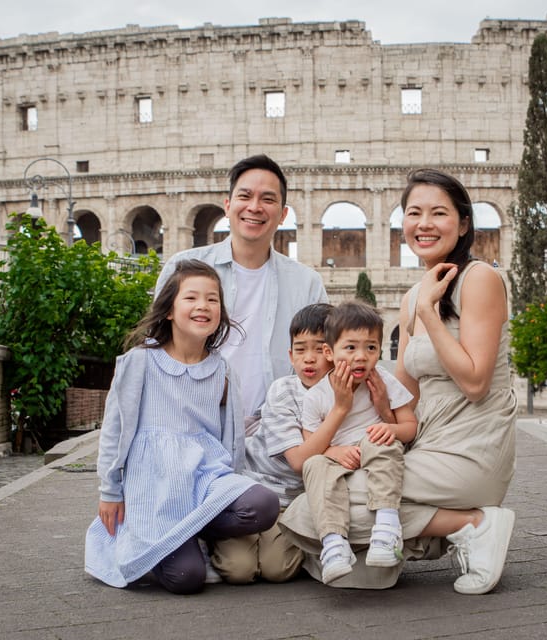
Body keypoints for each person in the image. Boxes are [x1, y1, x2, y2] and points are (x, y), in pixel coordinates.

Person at [280, 169, 517, 594]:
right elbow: (401, 395)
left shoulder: (479, 279)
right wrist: (346, 398)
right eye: (414, 213)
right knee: (360, 566)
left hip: (471, 444)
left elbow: (477, 382)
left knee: (314, 504)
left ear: (463, 223)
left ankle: (475, 522)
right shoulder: (412, 296)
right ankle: (437, 536)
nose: (424, 224)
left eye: (438, 213)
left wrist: (429, 311)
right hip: (426, 442)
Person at [84, 259, 280, 595]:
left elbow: (230, 437)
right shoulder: (140, 362)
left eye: (212, 299)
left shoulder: (222, 370)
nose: (203, 305)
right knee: (187, 579)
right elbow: (115, 430)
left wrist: (230, 490)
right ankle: (169, 541)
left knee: (263, 505)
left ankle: (193, 530)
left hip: (204, 479)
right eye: (191, 298)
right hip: (155, 485)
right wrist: (110, 491)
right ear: (170, 310)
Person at [155, 154, 328, 426]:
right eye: (245, 196)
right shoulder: (181, 268)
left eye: (268, 199)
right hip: (191, 423)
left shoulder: (307, 283)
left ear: (283, 214)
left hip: (276, 433)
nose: (255, 207)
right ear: (227, 205)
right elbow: (157, 349)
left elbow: (322, 363)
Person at [210, 302, 334, 584]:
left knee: (278, 569)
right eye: (301, 349)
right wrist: (338, 421)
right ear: (290, 355)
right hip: (253, 492)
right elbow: (298, 460)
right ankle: (210, 531)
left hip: (292, 501)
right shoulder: (284, 390)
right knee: (237, 570)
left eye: (320, 348)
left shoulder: (347, 393)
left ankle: (287, 544)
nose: (309, 359)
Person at [299, 301, 417, 584]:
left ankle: (387, 528)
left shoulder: (383, 381)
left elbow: (410, 427)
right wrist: (334, 451)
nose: (361, 357)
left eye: (371, 348)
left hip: (374, 448)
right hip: (337, 459)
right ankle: (334, 543)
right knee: (315, 463)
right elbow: (310, 446)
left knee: (379, 438)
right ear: (329, 352)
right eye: (350, 348)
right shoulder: (316, 396)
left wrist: (390, 428)